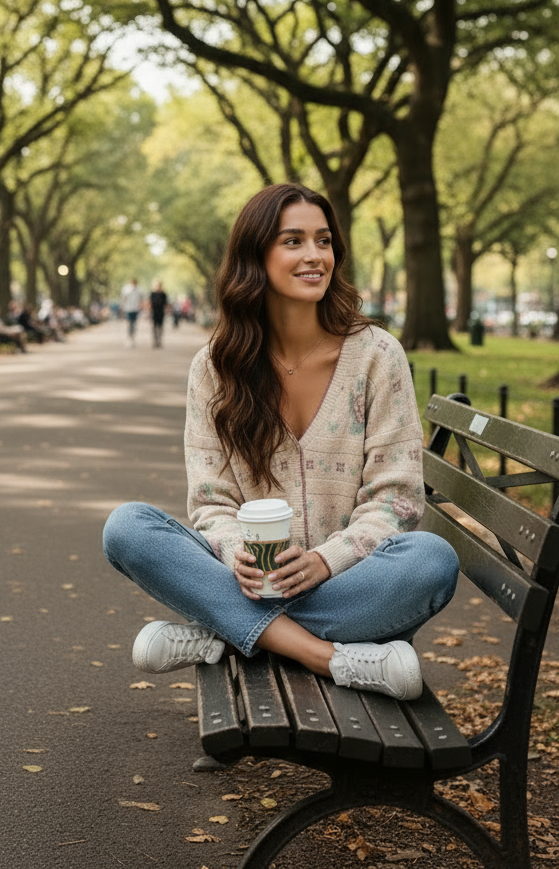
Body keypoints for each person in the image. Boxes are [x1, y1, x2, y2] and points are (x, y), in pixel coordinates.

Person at [103, 183, 459, 701]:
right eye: (293, 241)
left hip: (350, 583)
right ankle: (324, 655)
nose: (315, 255)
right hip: (248, 581)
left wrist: (325, 560)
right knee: (127, 527)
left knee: (432, 560)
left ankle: (224, 633)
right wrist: (236, 553)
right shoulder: (215, 368)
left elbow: (397, 501)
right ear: (256, 258)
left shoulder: (377, 356)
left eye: (324, 241)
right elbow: (211, 502)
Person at [120, 278, 142, 344]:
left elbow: (141, 298)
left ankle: (133, 335)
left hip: (135, 309)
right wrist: (122, 307)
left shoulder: (139, 290)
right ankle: (129, 335)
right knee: (129, 323)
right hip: (128, 309)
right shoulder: (126, 289)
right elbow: (123, 299)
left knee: (134, 323)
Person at [149, 280, 168, 348]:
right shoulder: (152, 293)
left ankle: (159, 341)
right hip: (154, 312)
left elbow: (165, 303)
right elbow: (150, 303)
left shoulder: (163, 294)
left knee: (160, 327)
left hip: (161, 312)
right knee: (154, 327)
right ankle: (155, 341)